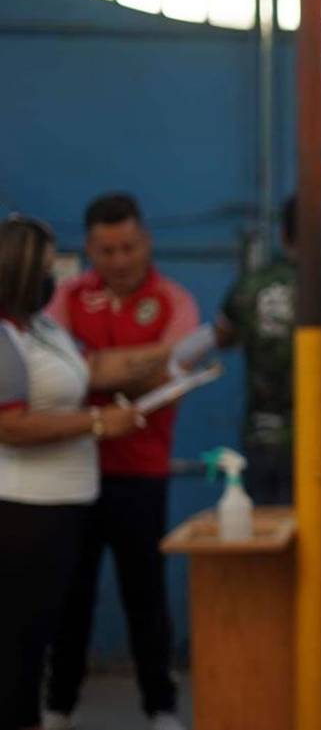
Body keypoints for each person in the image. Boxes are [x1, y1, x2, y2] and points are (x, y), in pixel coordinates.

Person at [44, 194, 199, 730]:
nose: (119, 260)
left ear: (146, 242)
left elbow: (174, 369)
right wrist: (138, 364)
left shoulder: (174, 299)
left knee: (145, 594)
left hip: (141, 471)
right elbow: (58, 375)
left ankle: (159, 707)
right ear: (89, 249)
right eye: (107, 250)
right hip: (71, 470)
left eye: (129, 247)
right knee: (71, 594)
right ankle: (59, 705)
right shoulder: (66, 296)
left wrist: (92, 369)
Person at [0, 214, 146, 730]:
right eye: (45, 267)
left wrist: (175, 357)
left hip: (63, 507)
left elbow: (95, 368)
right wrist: (97, 422)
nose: (53, 277)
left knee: (40, 635)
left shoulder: (40, 329)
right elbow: (10, 426)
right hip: (25, 512)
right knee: (18, 646)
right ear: (19, 271)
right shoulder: (3, 337)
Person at [173, 194, 321, 505]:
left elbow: (218, 338)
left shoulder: (249, 286)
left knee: (267, 542)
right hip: (318, 442)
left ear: (283, 235)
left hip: (260, 440)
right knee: (312, 549)